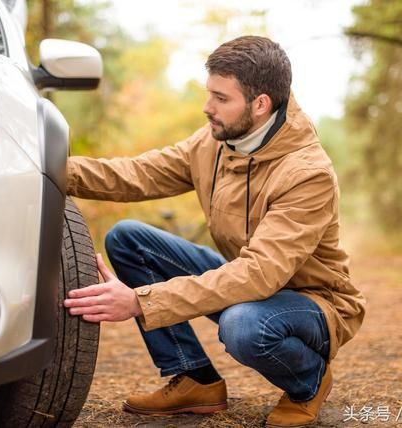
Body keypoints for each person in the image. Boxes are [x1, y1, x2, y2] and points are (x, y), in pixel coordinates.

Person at [63, 35, 365, 427]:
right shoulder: (217, 142)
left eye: (222, 98)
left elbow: (260, 274)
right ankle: (195, 379)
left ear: (261, 104)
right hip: (249, 283)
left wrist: (141, 301)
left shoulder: (308, 173)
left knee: (242, 325)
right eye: (210, 94)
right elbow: (137, 173)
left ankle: (309, 381)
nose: (208, 108)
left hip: (313, 303)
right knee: (129, 239)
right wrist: (53, 170)